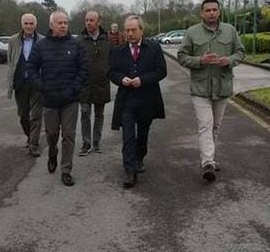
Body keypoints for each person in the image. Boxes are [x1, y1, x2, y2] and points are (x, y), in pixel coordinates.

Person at [177, 0, 245, 182]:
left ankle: (210, 158)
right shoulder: (192, 33)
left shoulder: (230, 31)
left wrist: (228, 61)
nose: (212, 13)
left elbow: (240, 52)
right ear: (202, 13)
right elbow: (182, 56)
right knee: (205, 124)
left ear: (219, 11)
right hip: (200, 88)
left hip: (222, 87)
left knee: (215, 126)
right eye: (208, 10)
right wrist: (200, 61)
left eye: (215, 9)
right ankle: (207, 162)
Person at [28, 10, 88, 186]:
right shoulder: (41, 46)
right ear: (51, 25)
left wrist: (75, 88)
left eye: (66, 23)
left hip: (70, 99)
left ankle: (66, 169)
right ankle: (52, 151)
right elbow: (31, 68)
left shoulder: (76, 45)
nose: (63, 26)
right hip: (50, 99)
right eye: (60, 23)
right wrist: (42, 87)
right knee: (52, 133)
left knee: (68, 135)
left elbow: (83, 69)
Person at [109, 15, 166, 188]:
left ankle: (140, 157)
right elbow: (111, 72)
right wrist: (121, 79)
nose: (130, 33)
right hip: (126, 100)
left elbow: (161, 71)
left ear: (141, 30)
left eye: (134, 30)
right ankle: (129, 170)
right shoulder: (118, 50)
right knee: (127, 135)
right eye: (127, 30)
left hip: (147, 98)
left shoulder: (154, 48)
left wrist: (143, 80)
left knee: (143, 132)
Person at [7, 13, 45, 156]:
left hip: (37, 84)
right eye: (26, 23)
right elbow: (11, 61)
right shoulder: (13, 40)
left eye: (31, 23)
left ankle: (33, 145)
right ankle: (30, 136)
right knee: (23, 115)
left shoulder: (42, 40)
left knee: (36, 116)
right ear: (22, 25)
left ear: (35, 25)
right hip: (20, 83)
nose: (29, 26)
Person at [77, 11, 112, 156]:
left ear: (99, 22)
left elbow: (113, 60)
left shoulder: (108, 40)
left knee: (99, 114)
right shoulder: (79, 41)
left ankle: (96, 142)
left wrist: (108, 74)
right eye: (86, 20)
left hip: (101, 83)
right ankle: (86, 143)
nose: (88, 23)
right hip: (84, 85)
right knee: (85, 114)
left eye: (91, 20)